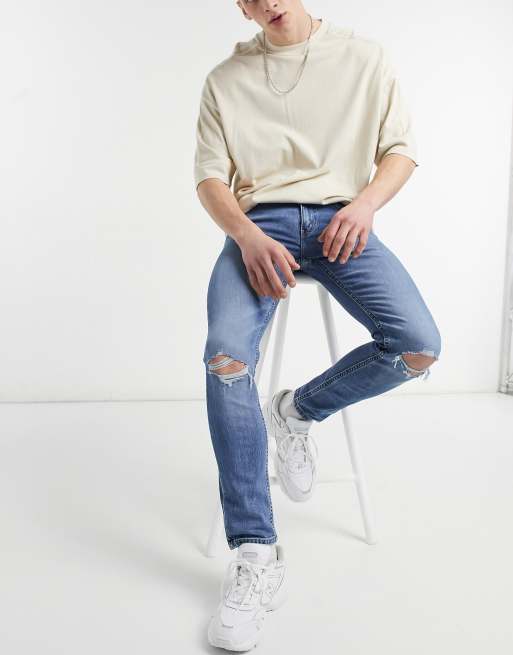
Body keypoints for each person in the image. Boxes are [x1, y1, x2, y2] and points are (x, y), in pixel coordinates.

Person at [194, 2, 442, 650]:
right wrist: (246, 236)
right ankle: (255, 552)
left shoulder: (364, 57)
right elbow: (210, 178)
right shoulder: (226, 79)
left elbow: (400, 150)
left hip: (341, 222)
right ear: (241, 6)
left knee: (418, 345)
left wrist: (365, 206)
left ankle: (296, 411)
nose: (268, 0)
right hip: (259, 226)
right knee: (225, 359)